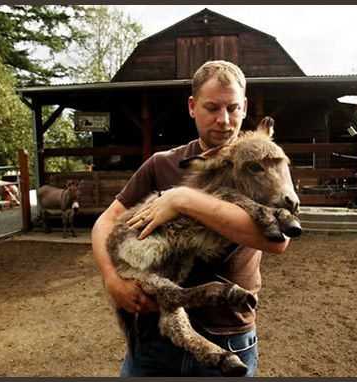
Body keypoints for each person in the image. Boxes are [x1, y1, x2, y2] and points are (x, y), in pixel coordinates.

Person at [91, 60, 291, 377]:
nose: (223, 120)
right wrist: (111, 280)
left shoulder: (261, 165)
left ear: (245, 107)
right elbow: (105, 222)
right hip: (153, 338)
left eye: (233, 108)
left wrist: (183, 199)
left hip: (229, 334)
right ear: (192, 107)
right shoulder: (162, 164)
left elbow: (278, 240)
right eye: (211, 108)